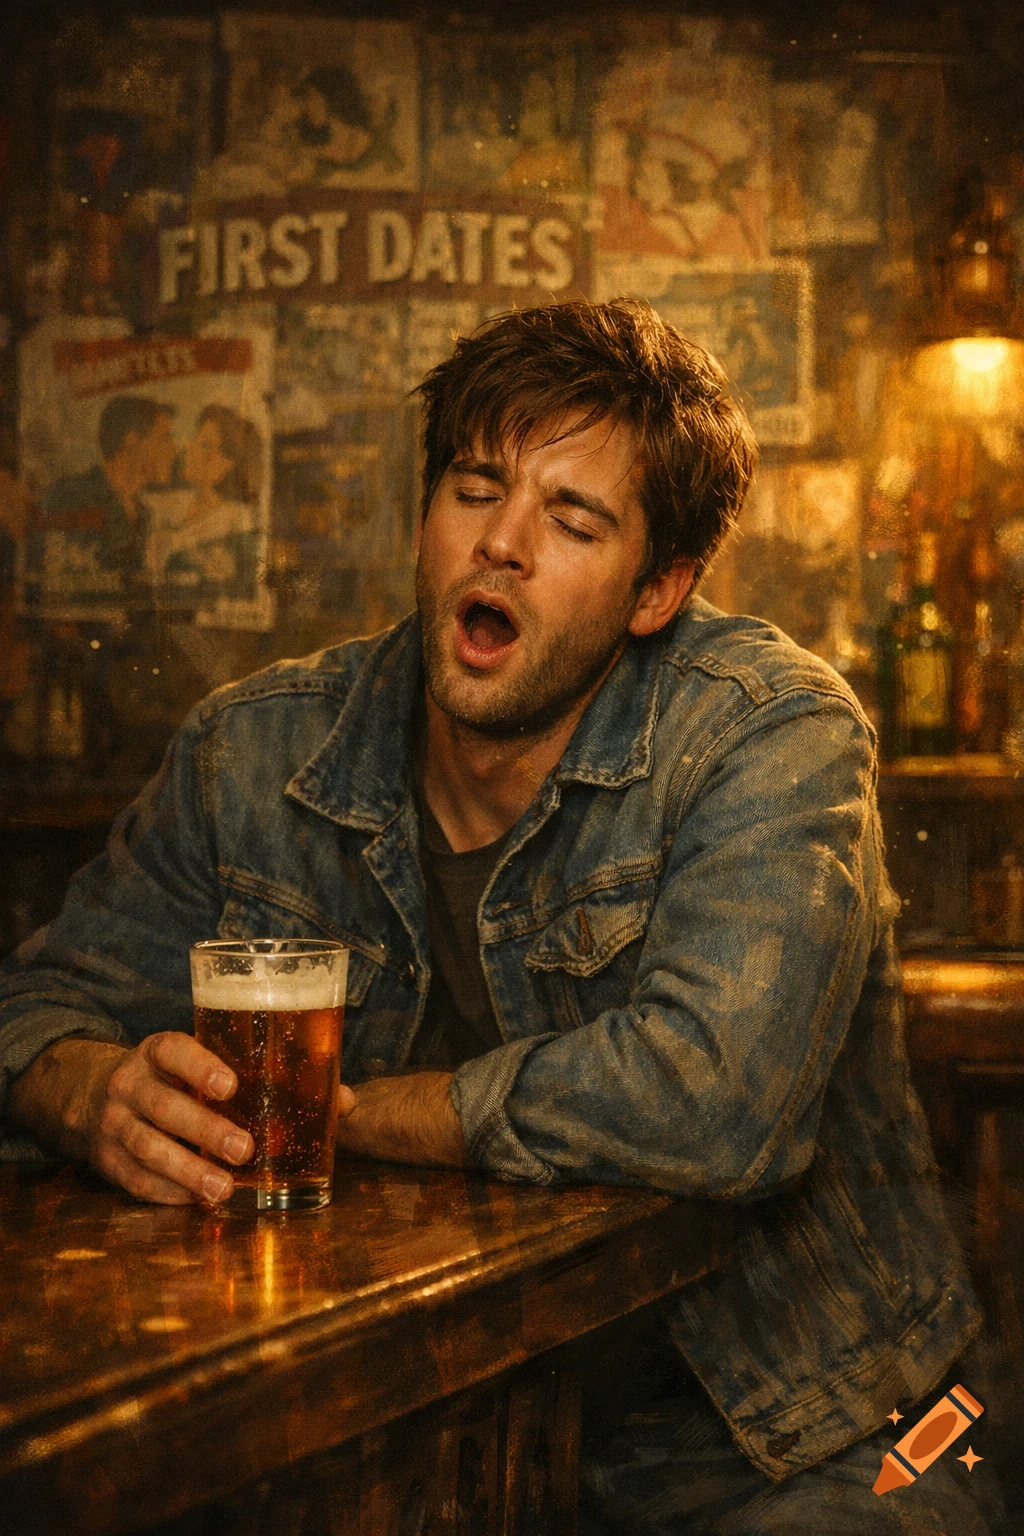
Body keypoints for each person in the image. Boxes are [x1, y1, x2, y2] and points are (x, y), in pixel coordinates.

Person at [0, 301, 1002, 1531]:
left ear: (659, 589)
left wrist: (362, 1114)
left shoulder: (765, 731)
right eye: (475, 490)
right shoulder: (252, 750)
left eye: (571, 519)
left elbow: (718, 1103)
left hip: (819, 1429)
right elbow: (32, 1006)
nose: (503, 547)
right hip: (414, 1436)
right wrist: (84, 1087)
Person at [39, 394, 177, 608]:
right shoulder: (72, 494)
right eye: (164, 439)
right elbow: (52, 587)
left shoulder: (144, 513)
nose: (173, 451)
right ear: (131, 441)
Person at [144, 403, 262, 605]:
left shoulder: (237, 520)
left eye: (205, 444)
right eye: (196, 439)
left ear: (227, 463)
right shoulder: (169, 504)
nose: (190, 447)